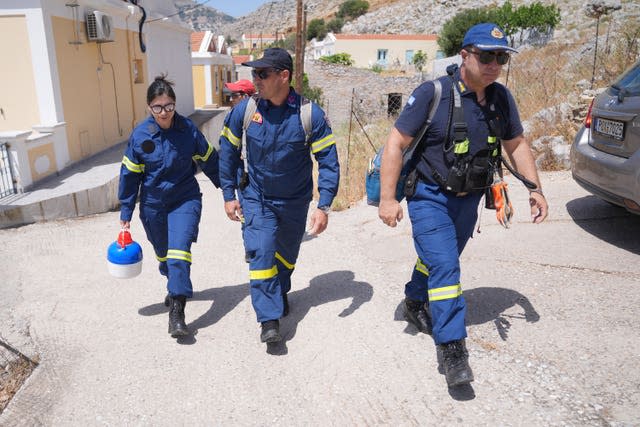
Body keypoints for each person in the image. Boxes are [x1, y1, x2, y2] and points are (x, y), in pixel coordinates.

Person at [378, 23, 548, 387]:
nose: (494, 64)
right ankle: (453, 349)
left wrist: (535, 188)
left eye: (500, 57)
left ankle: (413, 300)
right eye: (486, 55)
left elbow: (515, 144)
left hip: (468, 202)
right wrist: (388, 199)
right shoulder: (432, 93)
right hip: (428, 197)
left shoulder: (501, 98)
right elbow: (395, 143)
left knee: (437, 260)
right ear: (465, 55)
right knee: (446, 268)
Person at [218, 48, 340, 345]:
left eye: (262, 73)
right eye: (254, 73)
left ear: (284, 76)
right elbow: (227, 151)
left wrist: (323, 205)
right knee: (261, 251)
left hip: (294, 202)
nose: (255, 79)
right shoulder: (246, 110)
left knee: (285, 257)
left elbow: (328, 161)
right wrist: (228, 193)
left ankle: (279, 289)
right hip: (256, 197)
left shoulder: (310, 114)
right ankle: (269, 319)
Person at [118, 74, 220, 339]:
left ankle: (177, 310)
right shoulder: (140, 136)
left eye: (169, 106)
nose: (164, 113)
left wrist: (231, 188)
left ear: (175, 104)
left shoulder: (187, 130)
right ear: (149, 108)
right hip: (153, 206)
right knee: (164, 256)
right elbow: (130, 174)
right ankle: (174, 283)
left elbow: (209, 160)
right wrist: (126, 213)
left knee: (178, 254)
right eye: (158, 107)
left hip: (185, 198)